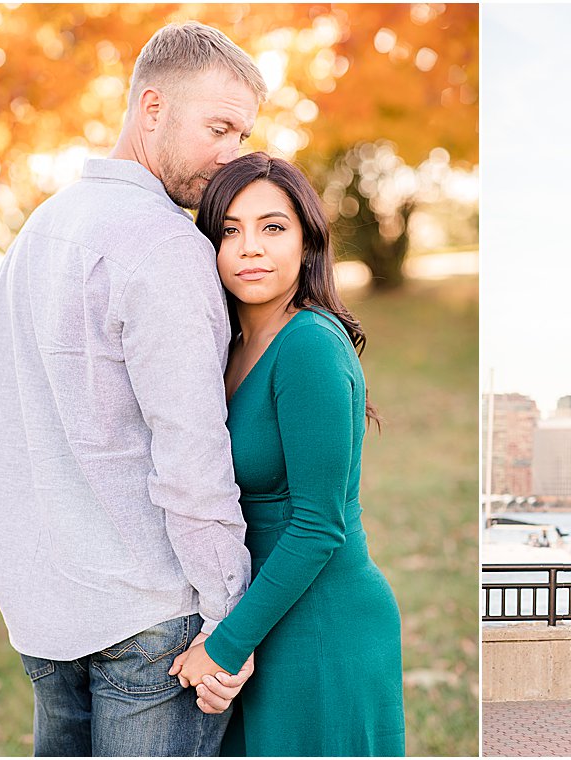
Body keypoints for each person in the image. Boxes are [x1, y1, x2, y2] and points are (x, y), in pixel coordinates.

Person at [0, 22, 267, 756]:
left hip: (44, 603)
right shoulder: (165, 245)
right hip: (149, 616)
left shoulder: (36, 233)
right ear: (152, 109)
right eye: (220, 127)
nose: (233, 153)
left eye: (242, 133)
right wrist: (231, 617)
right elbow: (191, 449)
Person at [169, 153, 405, 755]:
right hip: (264, 614)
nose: (250, 247)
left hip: (322, 624)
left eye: (273, 227)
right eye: (230, 229)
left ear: (307, 242)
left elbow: (318, 525)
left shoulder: (308, 347)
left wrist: (224, 646)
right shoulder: (228, 347)